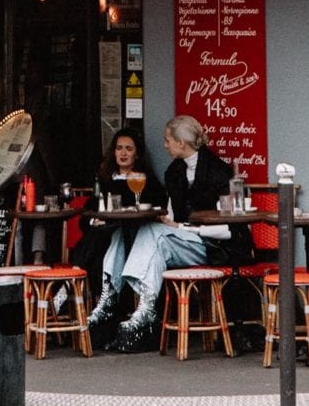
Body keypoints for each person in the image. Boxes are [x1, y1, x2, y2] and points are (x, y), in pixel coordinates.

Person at [86, 115, 254, 353]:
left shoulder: (218, 172)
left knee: (154, 233)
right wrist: (169, 222)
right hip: (183, 241)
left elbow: (232, 229)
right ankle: (124, 302)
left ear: (181, 143)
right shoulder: (174, 171)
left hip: (214, 245)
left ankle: (134, 305)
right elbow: (173, 216)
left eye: (167, 141)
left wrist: (186, 228)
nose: (164, 145)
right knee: (143, 232)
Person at [68, 129, 160, 290]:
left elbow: (156, 208)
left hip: (133, 236)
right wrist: (93, 221)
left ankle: (72, 282)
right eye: (119, 148)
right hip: (104, 236)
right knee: (97, 245)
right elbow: (87, 213)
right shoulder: (104, 181)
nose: (123, 153)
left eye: (129, 149)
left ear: (137, 154)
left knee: (97, 242)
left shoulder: (145, 181)